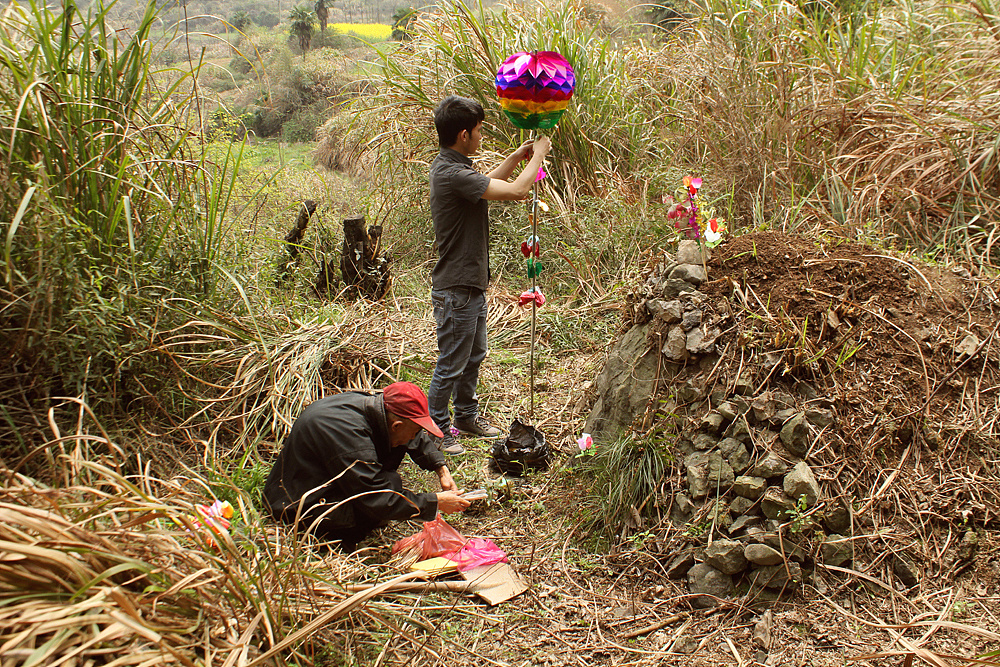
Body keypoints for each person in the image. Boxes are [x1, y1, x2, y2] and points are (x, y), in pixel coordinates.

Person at [428, 95, 552, 455]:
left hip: (469, 285)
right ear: (464, 134)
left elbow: (486, 185)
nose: (481, 136)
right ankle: (437, 429)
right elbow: (515, 191)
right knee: (451, 363)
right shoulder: (451, 173)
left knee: (474, 354)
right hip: (457, 288)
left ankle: (465, 416)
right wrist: (540, 153)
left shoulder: (453, 169)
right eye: (479, 131)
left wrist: (516, 157)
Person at [262, 381, 470, 551]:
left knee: (391, 479)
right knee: (381, 499)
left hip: (322, 477)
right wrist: (434, 502)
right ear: (396, 425)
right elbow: (376, 497)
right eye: (415, 431)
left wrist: (440, 468)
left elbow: (412, 435)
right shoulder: (349, 435)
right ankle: (335, 537)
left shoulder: (378, 407)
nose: (415, 436)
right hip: (297, 503)